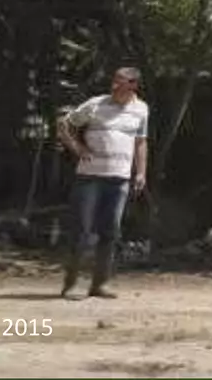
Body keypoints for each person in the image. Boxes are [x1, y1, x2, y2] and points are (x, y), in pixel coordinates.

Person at [55, 67, 149, 299]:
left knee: (110, 232)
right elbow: (64, 124)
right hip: (90, 177)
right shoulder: (96, 104)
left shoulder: (141, 109)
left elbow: (140, 142)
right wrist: (77, 147)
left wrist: (141, 172)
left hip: (119, 180)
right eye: (114, 81)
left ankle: (100, 284)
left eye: (121, 82)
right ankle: (71, 285)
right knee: (82, 230)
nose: (114, 86)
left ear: (133, 85)